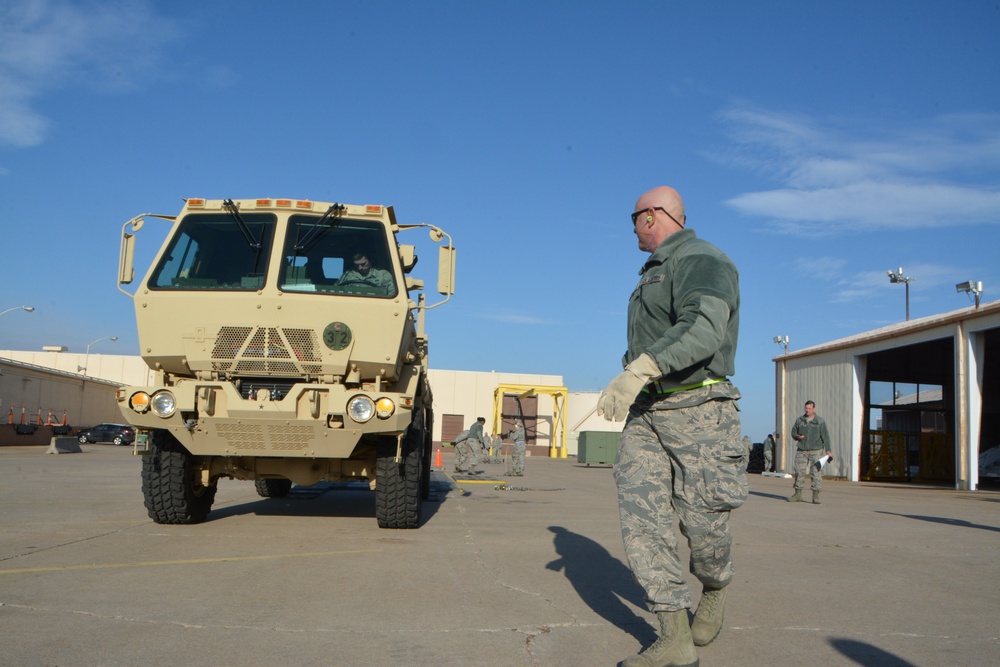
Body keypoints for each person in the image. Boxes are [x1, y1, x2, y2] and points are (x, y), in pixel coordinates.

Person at [597, 185, 746, 667]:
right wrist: (634, 380)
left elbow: (705, 327)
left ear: (652, 216)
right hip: (649, 413)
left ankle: (716, 585)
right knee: (643, 520)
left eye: (635, 219)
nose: (632, 230)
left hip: (699, 409)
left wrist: (641, 368)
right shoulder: (650, 274)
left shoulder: (702, 259)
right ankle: (674, 635)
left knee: (704, 527)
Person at [788, 401, 831, 504]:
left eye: (809, 408)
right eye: (806, 408)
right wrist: (797, 436)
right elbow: (793, 431)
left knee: (816, 473)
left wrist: (828, 450)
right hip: (802, 450)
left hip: (816, 451)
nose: (807, 410)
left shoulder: (819, 421)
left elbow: (825, 436)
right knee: (799, 472)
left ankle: (815, 495)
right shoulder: (800, 420)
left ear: (814, 409)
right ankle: (797, 494)